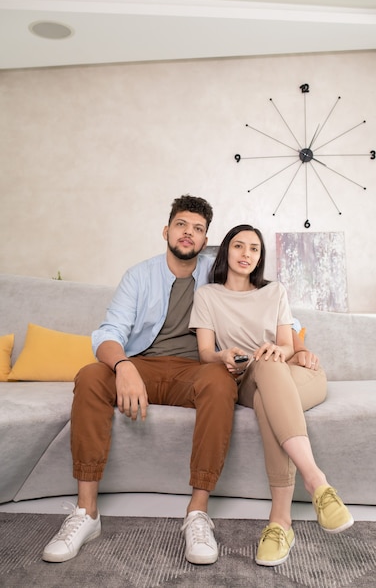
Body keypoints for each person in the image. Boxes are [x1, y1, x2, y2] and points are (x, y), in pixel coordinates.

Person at [42, 195, 239, 566]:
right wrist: (124, 367)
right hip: (142, 365)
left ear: (205, 239)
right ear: (167, 230)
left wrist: (291, 343)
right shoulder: (138, 275)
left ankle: (197, 513)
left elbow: (259, 298)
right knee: (90, 376)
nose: (189, 234)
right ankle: (86, 514)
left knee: (220, 381)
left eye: (198, 229)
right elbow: (108, 333)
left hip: (193, 372)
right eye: (182, 225)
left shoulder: (218, 272)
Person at [189, 224, 354, 567]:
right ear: (226, 252)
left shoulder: (275, 291)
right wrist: (223, 356)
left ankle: (283, 519)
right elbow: (205, 352)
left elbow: (285, 344)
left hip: (296, 376)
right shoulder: (207, 295)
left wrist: (283, 350)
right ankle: (317, 485)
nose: (246, 254)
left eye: (254, 248)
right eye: (239, 246)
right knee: (264, 375)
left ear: (260, 257)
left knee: (270, 372)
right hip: (246, 377)